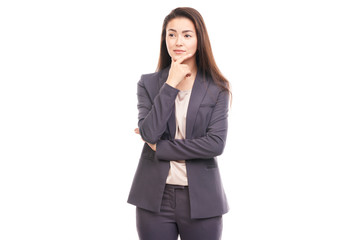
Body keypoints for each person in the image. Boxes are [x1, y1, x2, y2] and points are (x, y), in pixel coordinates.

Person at [128, 7, 231, 240]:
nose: (178, 41)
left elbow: (215, 144)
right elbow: (150, 132)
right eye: (171, 34)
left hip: (203, 199)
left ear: (199, 39)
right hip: (153, 197)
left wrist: (162, 148)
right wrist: (171, 84)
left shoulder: (217, 88)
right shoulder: (148, 83)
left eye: (187, 35)